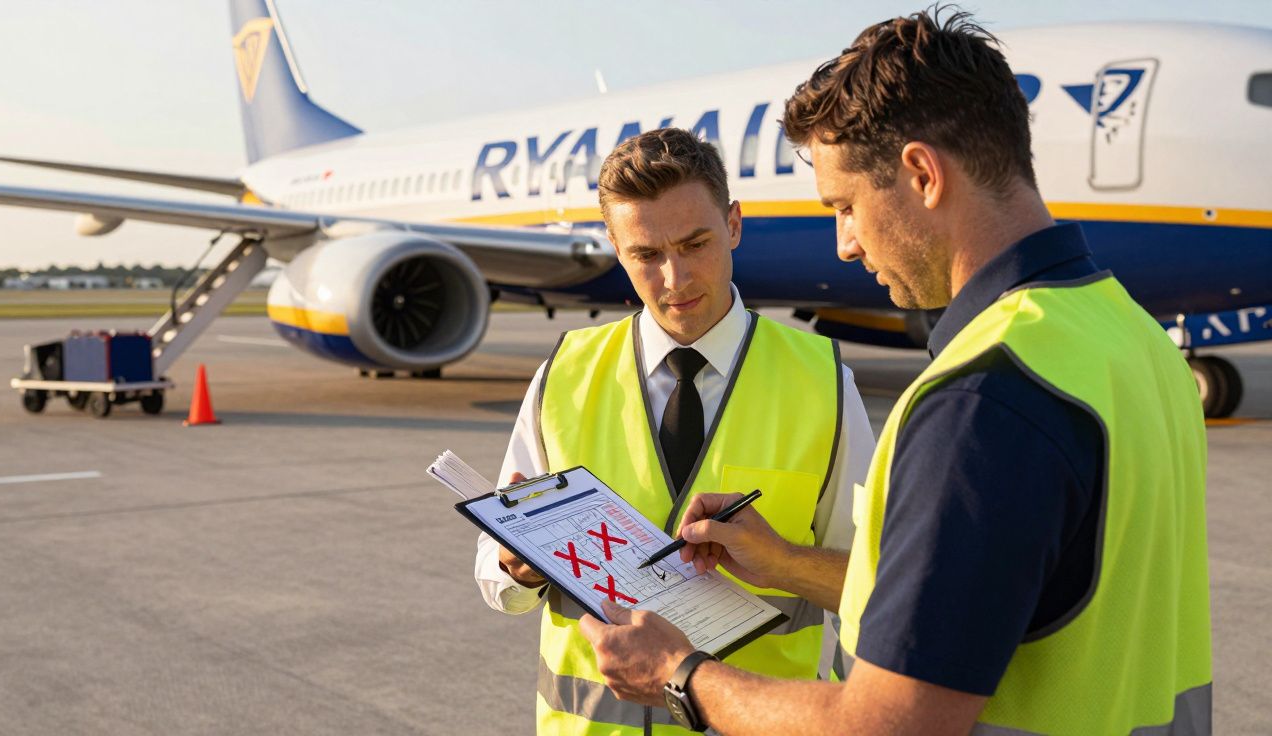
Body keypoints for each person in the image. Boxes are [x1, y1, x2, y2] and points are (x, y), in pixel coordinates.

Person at [579, 9, 1212, 735]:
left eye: (845, 206)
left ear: (920, 173)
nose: (844, 244)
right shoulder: (1131, 338)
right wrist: (784, 561)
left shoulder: (984, 398)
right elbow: (993, 598)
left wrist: (679, 674)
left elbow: (886, 725)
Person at [473, 127, 875, 734]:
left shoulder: (825, 384)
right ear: (614, 246)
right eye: (646, 255)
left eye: (695, 244)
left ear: (734, 224)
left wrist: (787, 564)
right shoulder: (563, 373)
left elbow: (875, 587)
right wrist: (514, 566)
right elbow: (494, 574)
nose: (675, 279)